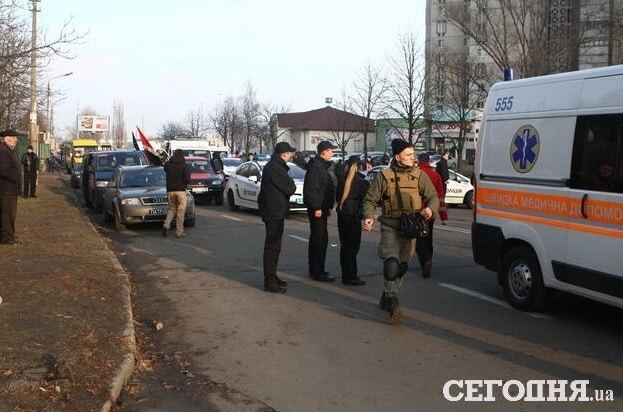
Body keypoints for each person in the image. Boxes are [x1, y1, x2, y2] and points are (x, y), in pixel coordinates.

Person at [362, 139, 439, 325]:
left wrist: (430, 209)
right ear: (397, 157)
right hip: (390, 225)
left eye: (413, 155)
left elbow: (433, 196)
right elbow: (370, 199)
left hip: (411, 227)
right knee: (391, 265)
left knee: (402, 266)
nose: (412, 158)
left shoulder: (420, 175)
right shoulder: (385, 175)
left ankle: (386, 295)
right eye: (408, 155)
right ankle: (393, 303)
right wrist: (368, 216)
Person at [258, 142, 297, 293]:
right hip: (274, 212)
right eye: (289, 153)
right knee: (272, 248)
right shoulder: (275, 167)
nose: (291, 156)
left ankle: (272, 277)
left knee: (275, 247)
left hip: (274, 210)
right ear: (284, 154)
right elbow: (290, 187)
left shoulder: (274, 166)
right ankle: (270, 281)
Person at [303, 140, 337, 282]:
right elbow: (312, 189)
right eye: (330, 151)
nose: (332, 153)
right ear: (324, 152)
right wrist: (317, 207)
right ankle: (317, 271)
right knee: (319, 240)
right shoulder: (317, 167)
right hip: (318, 209)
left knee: (320, 239)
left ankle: (317, 269)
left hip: (322, 208)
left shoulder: (320, 166)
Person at [336, 155, 369, 286]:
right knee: (353, 248)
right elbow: (366, 201)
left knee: (345, 247)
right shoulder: (361, 182)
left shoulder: (342, 179)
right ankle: (351, 276)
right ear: (360, 166)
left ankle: (346, 275)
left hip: (343, 214)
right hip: (353, 216)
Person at [415, 153, 445, 278]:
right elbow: (440, 197)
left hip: (417, 211)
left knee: (419, 239)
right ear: (428, 161)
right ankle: (429, 259)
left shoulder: (415, 174)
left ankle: (425, 260)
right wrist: (443, 216)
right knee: (429, 237)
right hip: (431, 212)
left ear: (419, 161)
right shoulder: (436, 175)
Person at [0, 130, 23, 245]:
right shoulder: (3, 151)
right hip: (6, 189)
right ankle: (7, 237)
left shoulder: (7, 150)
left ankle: (9, 235)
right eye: (14, 137)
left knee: (9, 213)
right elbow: (4, 170)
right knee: (7, 214)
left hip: (9, 189)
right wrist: (16, 177)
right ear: (6, 138)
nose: (16, 140)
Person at [162, 149, 190, 238]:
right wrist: (185, 184)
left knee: (171, 209)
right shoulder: (184, 165)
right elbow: (187, 179)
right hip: (181, 190)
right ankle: (179, 232)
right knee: (181, 211)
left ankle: (166, 225)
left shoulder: (168, 165)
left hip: (170, 190)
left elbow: (165, 167)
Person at [436, 150, 450, 225]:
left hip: (439, 183)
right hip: (442, 184)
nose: (448, 157)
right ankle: (444, 219)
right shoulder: (443, 163)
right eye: (447, 155)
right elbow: (444, 173)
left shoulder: (439, 163)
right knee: (441, 201)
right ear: (444, 155)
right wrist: (446, 179)